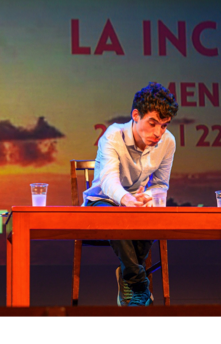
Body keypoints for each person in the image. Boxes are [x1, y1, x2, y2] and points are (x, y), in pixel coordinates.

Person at [83, 82, 178, 306]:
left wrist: (150, 197)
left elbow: (161, 185)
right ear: (136, 115)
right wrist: (125, 199)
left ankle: (129, 275)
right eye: (152, 123)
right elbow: (108, 180)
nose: (158, 133)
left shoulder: (168, 142)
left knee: (156, 212)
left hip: (136, 202)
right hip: (103, 201)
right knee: (116, 215)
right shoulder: (113, 135)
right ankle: (139, 285)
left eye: (164, 126)